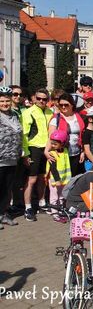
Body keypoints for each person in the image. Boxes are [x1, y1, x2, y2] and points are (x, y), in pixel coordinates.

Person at [21, 89, 53, 221]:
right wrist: (25, 153)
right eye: (39, 98)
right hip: (33, 148)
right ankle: (28, 207)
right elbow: (23, 135)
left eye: (44, 99)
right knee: (31, 179)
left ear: (47, 100)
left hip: (46, 148)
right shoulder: (28, 112)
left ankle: (41, 203)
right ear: (34, 98)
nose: (41, 101)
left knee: (42, 178)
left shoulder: (50, 112)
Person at [0, 87, 27, 228]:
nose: (5, 104)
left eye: (7, 101)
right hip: (0, 157)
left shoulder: (14, 115)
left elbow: (19, 134)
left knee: (6, 188)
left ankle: (3, 214)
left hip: (12, 157)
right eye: (2, 101)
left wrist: (21, 150)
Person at [46, 93, 85, 177]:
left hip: (76, 153)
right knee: (63, 179)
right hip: (61, 154)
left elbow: (82, 135)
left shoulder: (78, 116)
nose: (63, 107)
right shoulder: (56, 118)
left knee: (75, 178)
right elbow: (50, 137)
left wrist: (83, 151)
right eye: (61, 105)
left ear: (72, 105)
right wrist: (46, 151)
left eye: (66, 105)